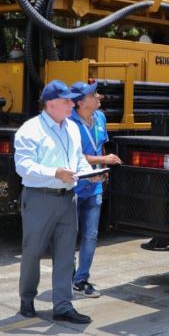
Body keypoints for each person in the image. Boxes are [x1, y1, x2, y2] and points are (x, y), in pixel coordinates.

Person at [14, 79, 101, 324]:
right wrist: (54, 173)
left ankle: (62, 305)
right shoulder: (30, 130)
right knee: (33, 251)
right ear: (51, 104)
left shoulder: (71, 127)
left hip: (67, 199)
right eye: (67, 101)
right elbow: (24, 167)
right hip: (40, 197)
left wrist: (89, 173)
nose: (72, 104)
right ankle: (27, 298)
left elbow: (78, 160)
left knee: (65, 254)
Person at [69, 81, 122, 298]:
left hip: (94, 186)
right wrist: (103, 160)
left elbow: (101, 146)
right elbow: (73, 156)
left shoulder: (100, 118)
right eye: (93, 94)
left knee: (91, 235)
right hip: (73, 187)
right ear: (81, 102)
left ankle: (81, 280)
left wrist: (102, 170)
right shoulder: (69, 123)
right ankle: (67, 277)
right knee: (68, 236)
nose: (98, 96)